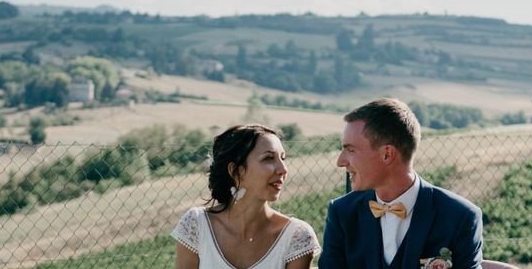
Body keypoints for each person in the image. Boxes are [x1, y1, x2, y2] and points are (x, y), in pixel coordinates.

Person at [318, 98, 483, 269]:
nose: (340, 161)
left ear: (387, 154)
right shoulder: (342, 213)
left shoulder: (460, 217)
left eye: (351, 150)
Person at [172, 124, 320, 269]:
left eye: (283, 158)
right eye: (269, 158)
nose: (283, 169)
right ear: (236, 171)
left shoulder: (297, 237)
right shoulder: (196, 225)